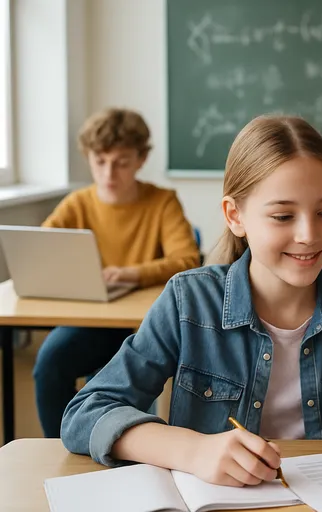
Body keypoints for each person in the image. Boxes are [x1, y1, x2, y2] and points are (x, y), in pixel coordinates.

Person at [61, 115, 322, 487]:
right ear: (235, 216)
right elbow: (84, 414)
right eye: (283, 215)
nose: (308, 234)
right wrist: (192, 451)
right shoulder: (189, 301)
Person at [34, 108, 201, 438]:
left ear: (140, 159)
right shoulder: (77, 203)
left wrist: (128, 274)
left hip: (143, 323)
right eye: (100, 161)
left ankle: (127, 447)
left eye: (122, 162)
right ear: (89, 157)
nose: (109, 172)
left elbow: (187, 260)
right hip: (88, 319)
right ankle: (58, 449)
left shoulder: (162, 202)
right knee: (49, 365)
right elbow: (42, 249)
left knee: (135, 380)